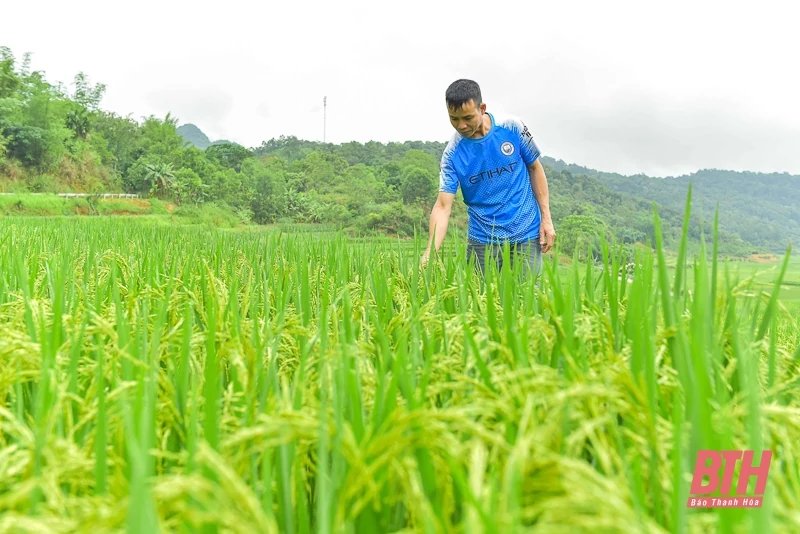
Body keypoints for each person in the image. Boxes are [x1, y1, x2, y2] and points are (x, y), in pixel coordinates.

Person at [420, 79, 556, 280]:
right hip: (483, 239)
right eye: (454, 119)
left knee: (528, 296)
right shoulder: (452, 154)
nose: (461, 125)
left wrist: (546, 218)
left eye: (467, 117)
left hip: (526, 230)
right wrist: (430, 253)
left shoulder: (511, 127)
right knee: (479, 296)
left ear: (482, 108)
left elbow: (535, 168)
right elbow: (442, 206)